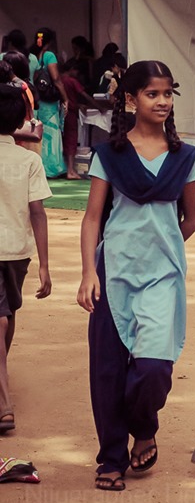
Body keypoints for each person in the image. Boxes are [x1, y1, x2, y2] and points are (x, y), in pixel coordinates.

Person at [76, 60, 195, 492]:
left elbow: (193, 219)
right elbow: (93, 219)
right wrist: (88, 271)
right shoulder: (109, 155)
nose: (163, 101)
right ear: (131, 99)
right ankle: (111, 458)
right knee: (108, 370)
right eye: (153, 93)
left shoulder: (185, 157)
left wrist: (161, 247)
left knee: (153, 368)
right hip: (113, 274)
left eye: (168, 93)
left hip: (162, 276)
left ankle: (143, 426)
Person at [0, 84, 52, 434]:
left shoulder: (29, 160)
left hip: (11, 252)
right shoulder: (29, 160)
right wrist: (45, 265)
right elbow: (38, 213)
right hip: (18, 252)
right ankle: (4, 403)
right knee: (5, 316)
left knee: (5, 314)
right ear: (21, 118)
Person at [59, 60, 108, 180]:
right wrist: (99, 107)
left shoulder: (60, 79)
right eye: (76, 71)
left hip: (60, 112)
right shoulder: (71, 81)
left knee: (63, 140)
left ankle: (66, 168)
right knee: (71, 140)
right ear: (72, 69)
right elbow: (85, 95)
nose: (77, 74)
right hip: (70, 113)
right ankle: (70, 170)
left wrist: (79, 104)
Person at [32, 28, 68, 178]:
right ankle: (53, 168)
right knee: (52, 132)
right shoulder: (50, 55)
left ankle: (42, 166)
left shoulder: (34, 56)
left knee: (42, 133)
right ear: (51, 41)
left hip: (40, 99)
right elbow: (56, 79)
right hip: (50, 101)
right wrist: (65, 97)